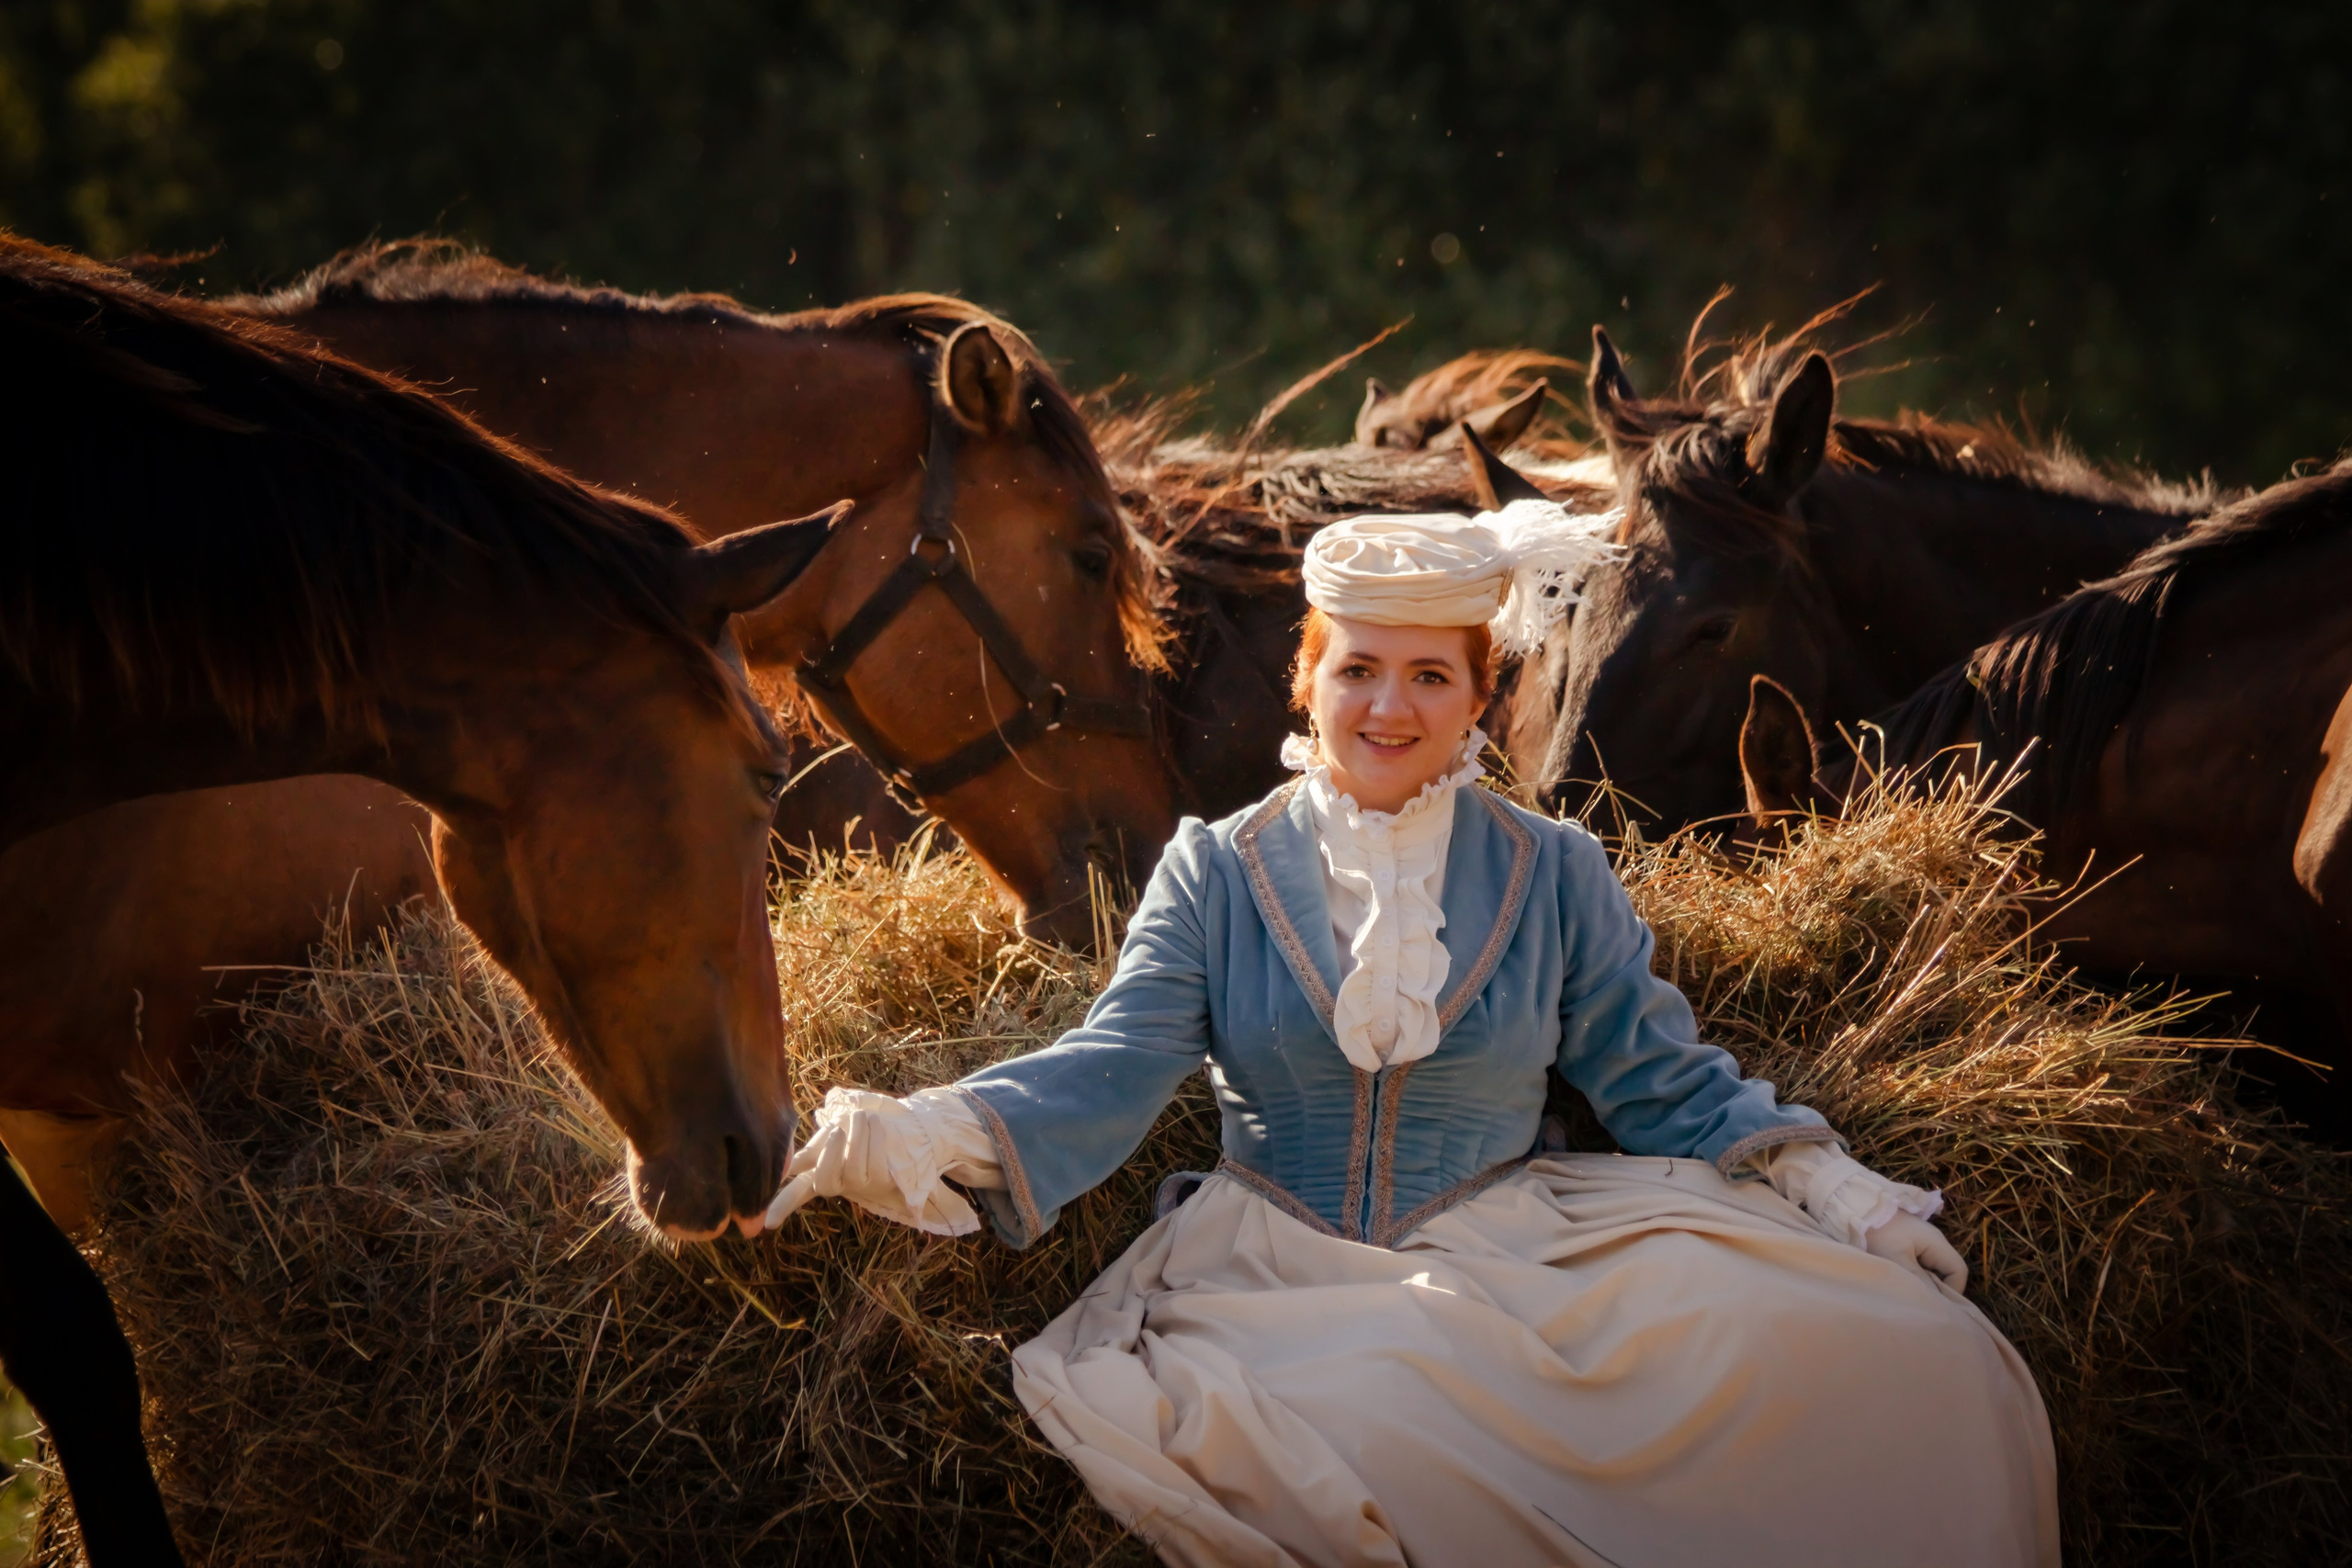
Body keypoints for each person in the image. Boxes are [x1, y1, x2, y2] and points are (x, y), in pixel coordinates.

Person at [769, 499, 2059, 1568]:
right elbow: (1115, 1065)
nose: (1390, 707)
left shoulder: (1553, 869)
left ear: (1481, 697)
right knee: (1383, 1417)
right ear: (1310, 677)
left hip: (1522, 1249)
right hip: (1279, 1274)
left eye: (1430, 675)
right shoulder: (1215, 870)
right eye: (1359, 670)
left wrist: (1828, 1184)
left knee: (1910, 1360)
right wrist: (915, 1131)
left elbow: (1661, 1081)